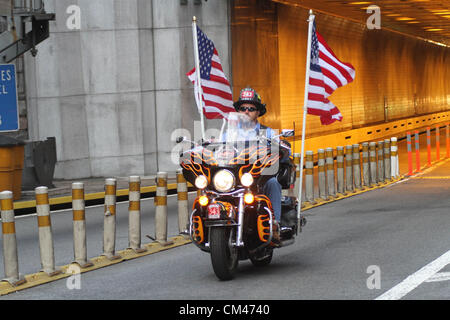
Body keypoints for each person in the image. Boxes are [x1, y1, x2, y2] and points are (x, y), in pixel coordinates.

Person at [232, 87, 284, 226]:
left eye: (251, 108)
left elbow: (282, 149)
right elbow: (216, 150)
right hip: (235, 177)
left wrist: (280, 147)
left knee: (273, 183)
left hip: (260, 176)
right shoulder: (229, 134)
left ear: (258, 112)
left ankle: (274, 223)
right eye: (243, 108)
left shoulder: (268, 133)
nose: (246, 111)